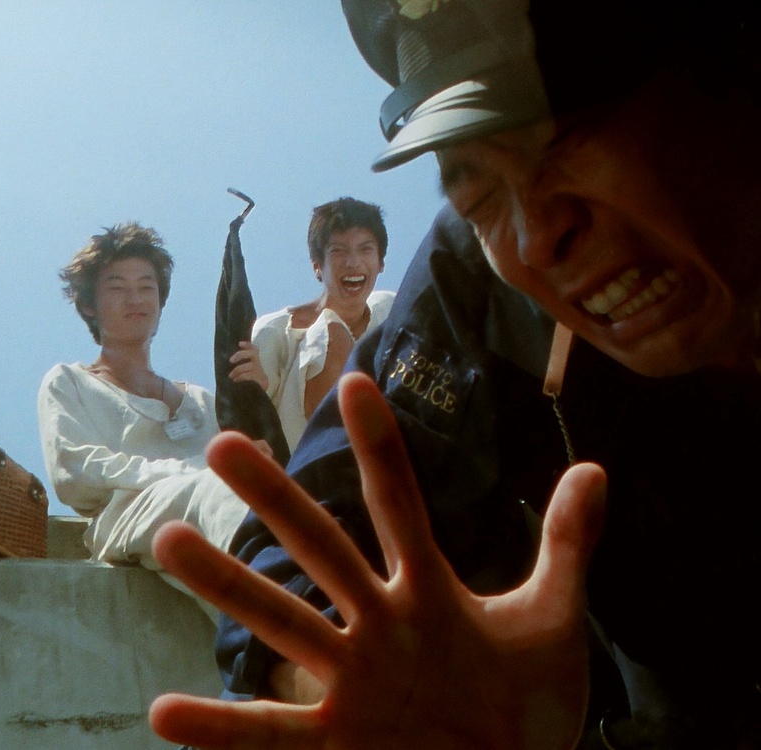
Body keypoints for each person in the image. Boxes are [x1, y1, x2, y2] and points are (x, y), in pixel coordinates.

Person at [148, 1, 761, 748]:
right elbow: (313, 533)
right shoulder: (478, 282)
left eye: (567, 135)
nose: (537, 237)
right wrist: (351, 684)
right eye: (478, 195)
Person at [36, 222, 256, 616]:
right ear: (89, 305)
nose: (134, 298)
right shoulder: (69, 381)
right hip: (127, 518)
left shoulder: (203, 400)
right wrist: (191, 473)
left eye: (147, 286)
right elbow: (75, 474)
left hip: (208, 516)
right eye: (117, 286)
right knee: (219, 492)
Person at [228, 197, 394, 452]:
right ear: (318, 267)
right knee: (332, 330)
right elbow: (257, 415)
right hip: (309, 460)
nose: (353, 262)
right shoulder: (275, 330)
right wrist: (259, 385)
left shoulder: (389, 309)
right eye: (338, 251)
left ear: (380, 262)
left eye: (365, 250)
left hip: (390, 445)